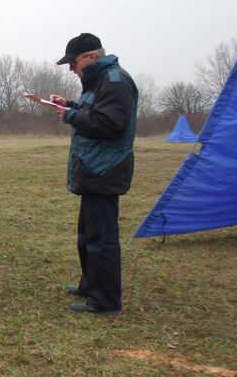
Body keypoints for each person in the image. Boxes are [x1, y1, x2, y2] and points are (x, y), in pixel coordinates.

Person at [50, 33, 138, 314]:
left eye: (73, 63)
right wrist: (70, 106)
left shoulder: (114, 81)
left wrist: (71, 117)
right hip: (93, 169)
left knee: (102, 240)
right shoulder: (98, 82)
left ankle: (106, 301)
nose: (71, 69)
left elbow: (110, 123)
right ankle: (90, 285)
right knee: (87, 236)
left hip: (105, 170)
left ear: (91, 56)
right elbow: (93, 112)